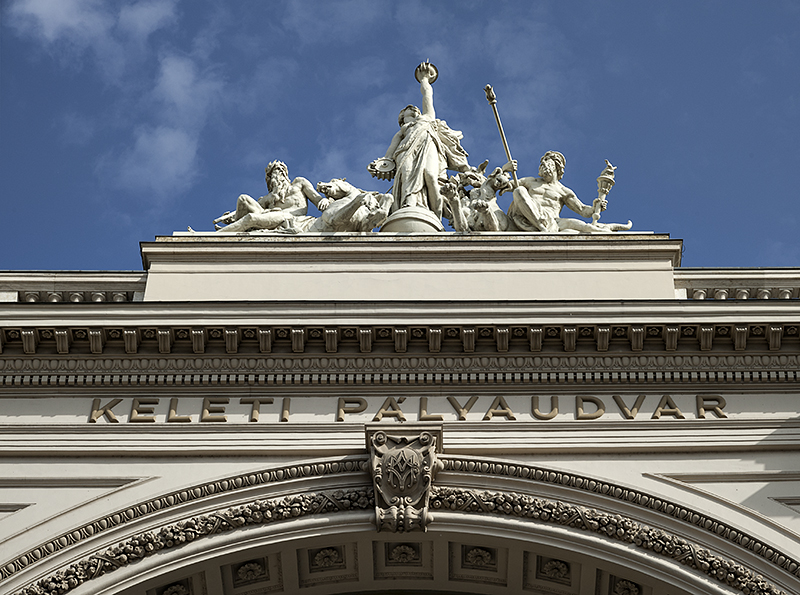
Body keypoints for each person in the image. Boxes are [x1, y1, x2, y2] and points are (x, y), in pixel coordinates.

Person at [376, 62, 471, 219]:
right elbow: (391, 151)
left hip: (428, 145)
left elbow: (427, 95)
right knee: (406, 175)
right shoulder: (402, 131)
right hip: (405, 151)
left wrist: (424, 79)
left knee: (430, 176)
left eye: (415, 109)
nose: (414, 109)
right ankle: (409, 203)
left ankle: (437, 212)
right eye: (408, 110)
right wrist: (385, 163)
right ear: (402, 117)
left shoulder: (427, 118)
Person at [506, 152, 631, 233]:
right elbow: (504, 185)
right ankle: (542, 228)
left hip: (552, 221)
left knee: (585, 227)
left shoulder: (563, 191)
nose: (542, 165)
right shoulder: (529, 181)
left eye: (546, 163)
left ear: (556, 166)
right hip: (528, 218)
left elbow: (582, 210)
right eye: (541, 164)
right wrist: (506, 169)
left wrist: (595, 207)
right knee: (519, 190)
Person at [214, 161, 330, 233]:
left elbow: (317, 199)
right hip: (270, 215)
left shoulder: (299, 183)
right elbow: (249, 207)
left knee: (251, 218)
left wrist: (325, 199)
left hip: (289, 217)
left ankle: (219, 236)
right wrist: (233, 217)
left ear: (285, 174)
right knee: (243, 198)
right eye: (273, 175)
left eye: (279, 172)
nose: (277, 176)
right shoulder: (268, 198)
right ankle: (233, 228)